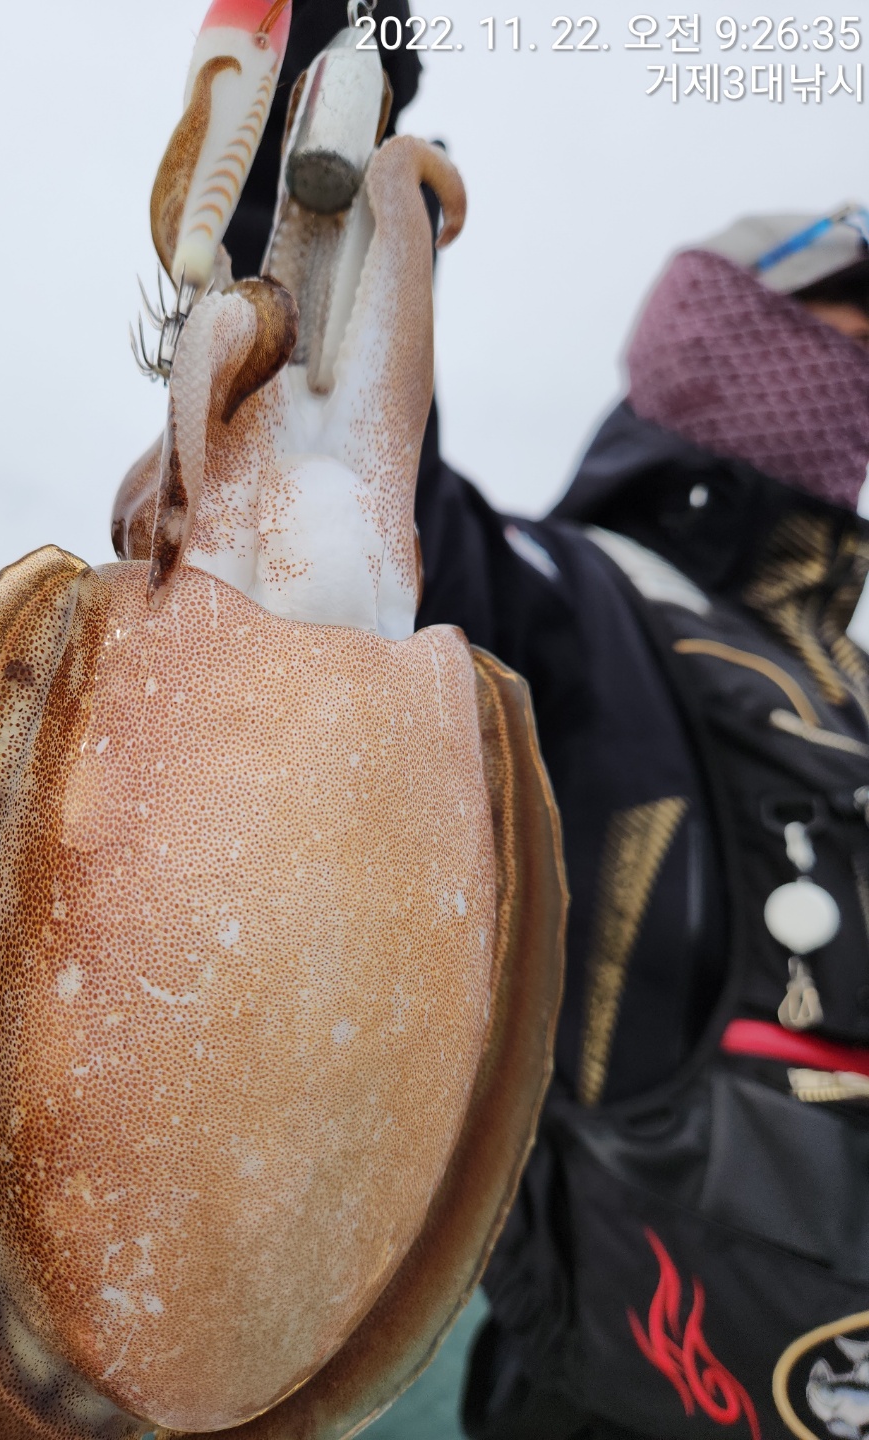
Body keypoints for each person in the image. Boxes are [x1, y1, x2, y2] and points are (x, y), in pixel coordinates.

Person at [225, 10, 869, 1436]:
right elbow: (323, 463)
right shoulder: (554, 600)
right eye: (855, 315)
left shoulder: (846, 679)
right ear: (730, 329)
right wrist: (337, 69)